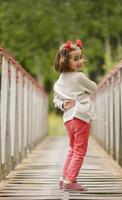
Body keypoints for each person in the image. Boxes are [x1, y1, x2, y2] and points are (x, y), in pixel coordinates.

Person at [53, 39, 97, 191]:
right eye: (75, 59)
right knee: (80, 150)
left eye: (80, 58)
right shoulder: (79, 77)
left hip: (68, 119)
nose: (80, 61)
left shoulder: (60, 81)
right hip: (81, 116)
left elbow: (56, 99)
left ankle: (64, 177)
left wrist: (63, 105)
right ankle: (70, 181)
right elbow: (94, 88)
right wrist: (84, 90)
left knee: (72, 148)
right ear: (66, 61)